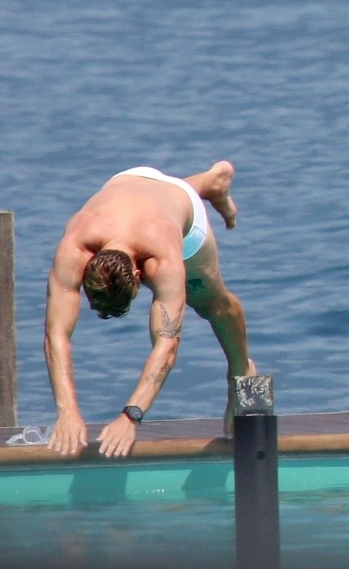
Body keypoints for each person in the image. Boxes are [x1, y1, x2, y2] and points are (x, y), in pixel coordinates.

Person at [44, 161, 254, 456]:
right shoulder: (75, 247)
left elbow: (167, 345)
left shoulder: (162, 259)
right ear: (86, 268)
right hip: (132, 181)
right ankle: (212, 183)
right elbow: (56, 334)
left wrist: (132, 415)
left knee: (211, 304)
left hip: (177, 213)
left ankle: (241, 370)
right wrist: (67, 412)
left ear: (140, 275)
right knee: (170, 195)